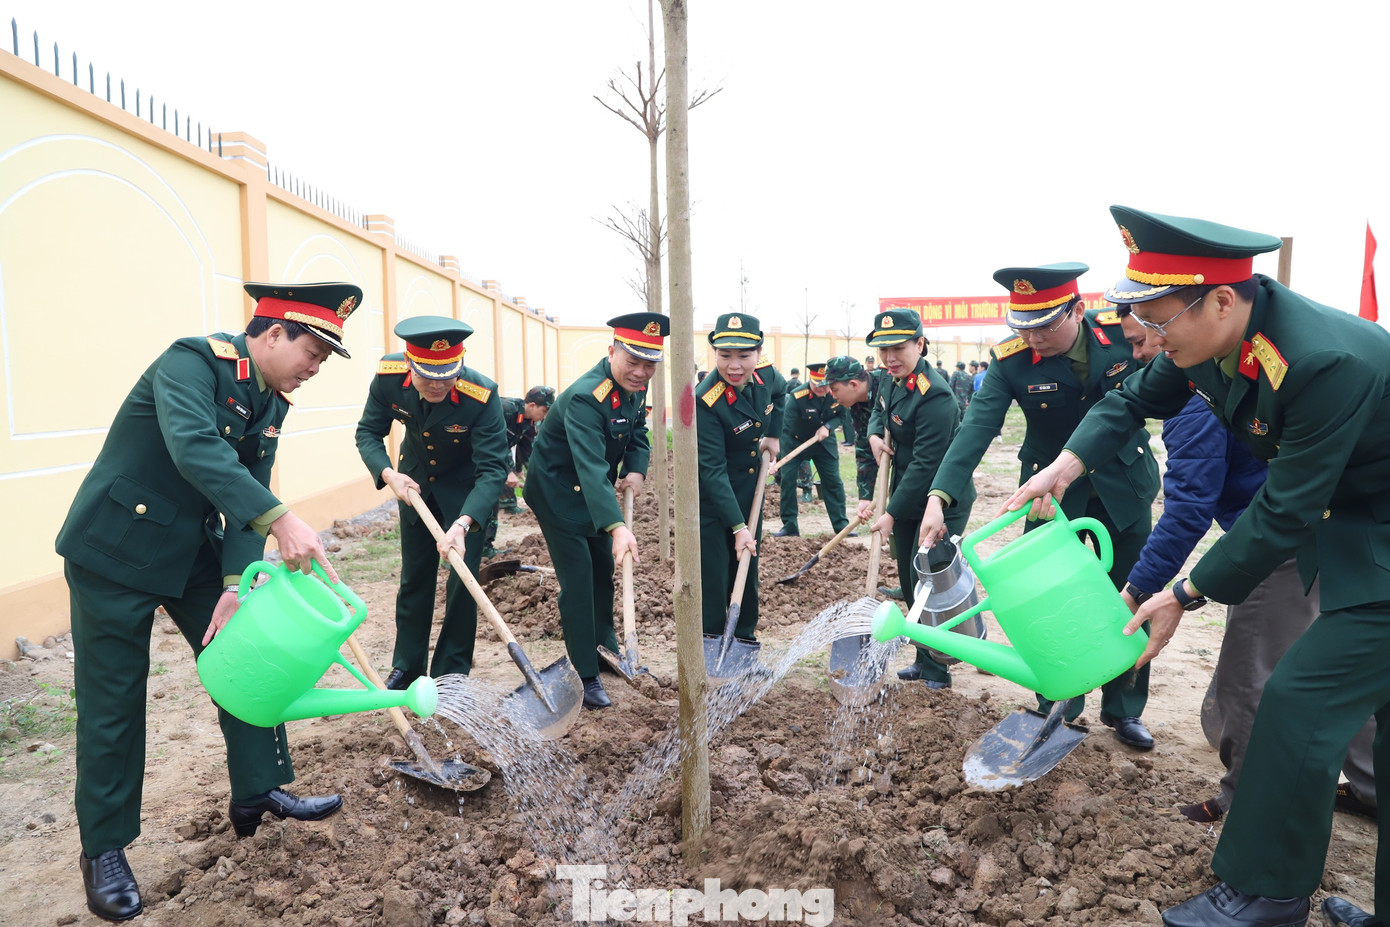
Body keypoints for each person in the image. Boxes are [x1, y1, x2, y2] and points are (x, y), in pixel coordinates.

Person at [1005, 207, 1390, 927]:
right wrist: (1065, 465)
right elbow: (1129, 401)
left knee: (1296, 701)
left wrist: (1184, 591)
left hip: (1373, 539)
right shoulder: (1211, 342)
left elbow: (1284, 509)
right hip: (1354, 527)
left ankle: (1268, 895)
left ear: (1220, 300)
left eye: (1158, 321)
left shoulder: (1320, 362)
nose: (1150, 339)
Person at [56, 282, 358, 921]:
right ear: (273, 333)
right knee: (114, 703)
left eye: (323, 360)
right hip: (114, 551)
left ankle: (258, 792)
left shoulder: (271, 399)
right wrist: (282, 518)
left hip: (190, 550)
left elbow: (248, 487)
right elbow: (197, 447)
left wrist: (233, 585)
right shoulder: (190, 362)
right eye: (312, 353)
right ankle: (104, 848)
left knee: (251, 656)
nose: (315, 369)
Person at [1110, 309, 1377, 825]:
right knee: (1341, 671)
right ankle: (1372, 787)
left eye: (1143, 341)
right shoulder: (1235, 373)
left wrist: (1140, 588)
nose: (1138, 355)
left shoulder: (1195, 404)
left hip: (1273, 546)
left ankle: (1246, 801)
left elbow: (1187, 511)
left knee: (1249, 673)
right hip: (1336, 534)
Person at [920, 263, 1160, 749]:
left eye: (1044, 326)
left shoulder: (1122, 336)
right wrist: (938, 496)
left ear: (1077, 310)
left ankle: (1124, 708)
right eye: (1023, 327)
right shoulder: (1010, 360)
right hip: (1048, 499)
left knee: (1132, 594)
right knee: (1045, 598)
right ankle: (1057, 701)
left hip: (1123, 488)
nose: (1032, 338)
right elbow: (976, 429)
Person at [355, 317, 509, 689]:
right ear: (410, 364)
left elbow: (493, 469)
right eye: (428, 376)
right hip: (415, 486)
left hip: (467, 495)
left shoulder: (481, 395)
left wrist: (464, 523)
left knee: (462, 583)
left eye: (448, 375)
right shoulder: (389, 379)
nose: (438, 384)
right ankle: (407, 667)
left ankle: (451, 673)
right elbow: (368, 432)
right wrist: (388, 474)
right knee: (414, 579)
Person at [524, 313, 667, 710]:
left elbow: (637, 432)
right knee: (579, 580)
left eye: (649, 364)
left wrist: (636, 469)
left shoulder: (634, 387)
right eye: (633, 361)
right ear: (611, 352)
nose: (640, 372)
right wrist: (617, 527)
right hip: (558, 493)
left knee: (602, 571)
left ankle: (606, 650)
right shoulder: (587, 397)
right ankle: (585, 672)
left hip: (593, 491)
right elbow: (589, 466)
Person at [864, 308, 974, 688]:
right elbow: (878, 412)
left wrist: (891, 513)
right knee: (910, 581)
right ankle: (924, 658)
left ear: (920, 344)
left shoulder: (936, 396)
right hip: (907, 494)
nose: (890, 358)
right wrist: (874, 435)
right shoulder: (889, 378)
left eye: (898, 348)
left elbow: (927, 464)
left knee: (930, 582)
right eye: (884, 350)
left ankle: (939, 669)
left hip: (940, 499)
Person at [696, 313, 783, 645]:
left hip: (749, 491)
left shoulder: (766, 375)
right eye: (725, 356)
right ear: (715, 354)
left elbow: (781, 394)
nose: (734, 365)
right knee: (715, 573)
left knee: (747, 565)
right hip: (713, 498)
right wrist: (738, 527)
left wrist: (774, 435)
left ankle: (744, 639)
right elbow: (712, 469)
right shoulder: (706, 399)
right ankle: (711, 640)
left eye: (744, 356)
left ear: (758, 353)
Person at [825, 355, 905, 601]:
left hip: (918, 459)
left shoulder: (889, 384)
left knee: (912, 519)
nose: (833, 397)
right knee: (901, 524)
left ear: (853, 384)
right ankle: (908, 582)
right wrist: (865, 497)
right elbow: (863, 447)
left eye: (835, 390)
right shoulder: (856, 406)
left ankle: (924, 583)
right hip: (896, 461)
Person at [773, 363, 849, 538]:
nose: (822, 389)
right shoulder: (797, 396)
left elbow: (842, 416)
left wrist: (827, 427)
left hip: (824, 443)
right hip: (795, 441)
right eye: (817, 385)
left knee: (833, 482)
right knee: (788, 482)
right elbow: (787, 425)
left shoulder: (836, 393)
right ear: (810, 381)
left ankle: (841, 526)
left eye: (825, 385)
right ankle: (790, 526)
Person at [482, 385, 556, 557]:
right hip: (474, 456)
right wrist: (509, 471)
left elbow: (527, 448)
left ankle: (485, 548)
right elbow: (498, 441)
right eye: (544, 411)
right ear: (532, 405)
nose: (545, 416)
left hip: (493, 456)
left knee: (492, 501)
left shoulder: (530, 421)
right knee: (482, 500)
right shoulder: (506, 409)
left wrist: (530, 474)